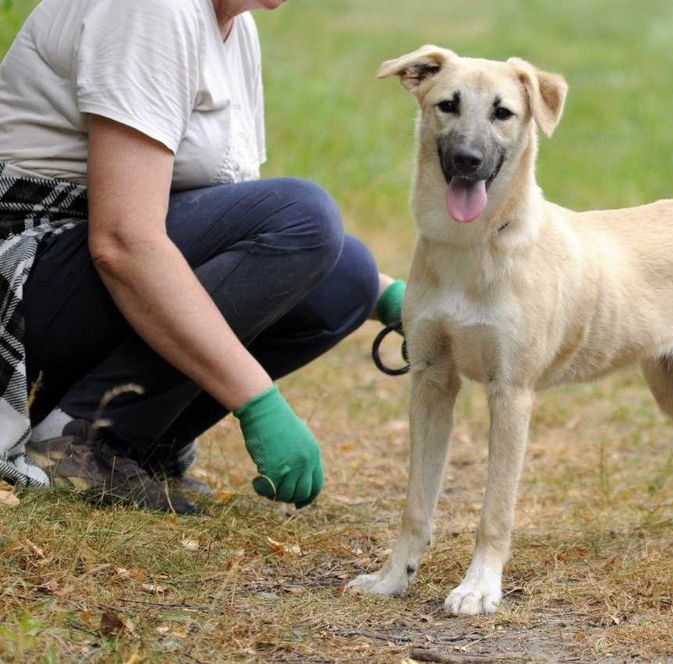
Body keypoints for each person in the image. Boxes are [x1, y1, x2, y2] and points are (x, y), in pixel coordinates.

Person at [0, 0, 406, 514]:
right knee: (305, 215)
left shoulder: (235, 28)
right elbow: (123, 240)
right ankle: (76, 439)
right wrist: (257, 401)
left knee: (346, 273)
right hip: (21, 279)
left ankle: (133, 440)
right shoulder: (152, 11)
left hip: (81, 278)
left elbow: (240, 239)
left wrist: (390, 297)